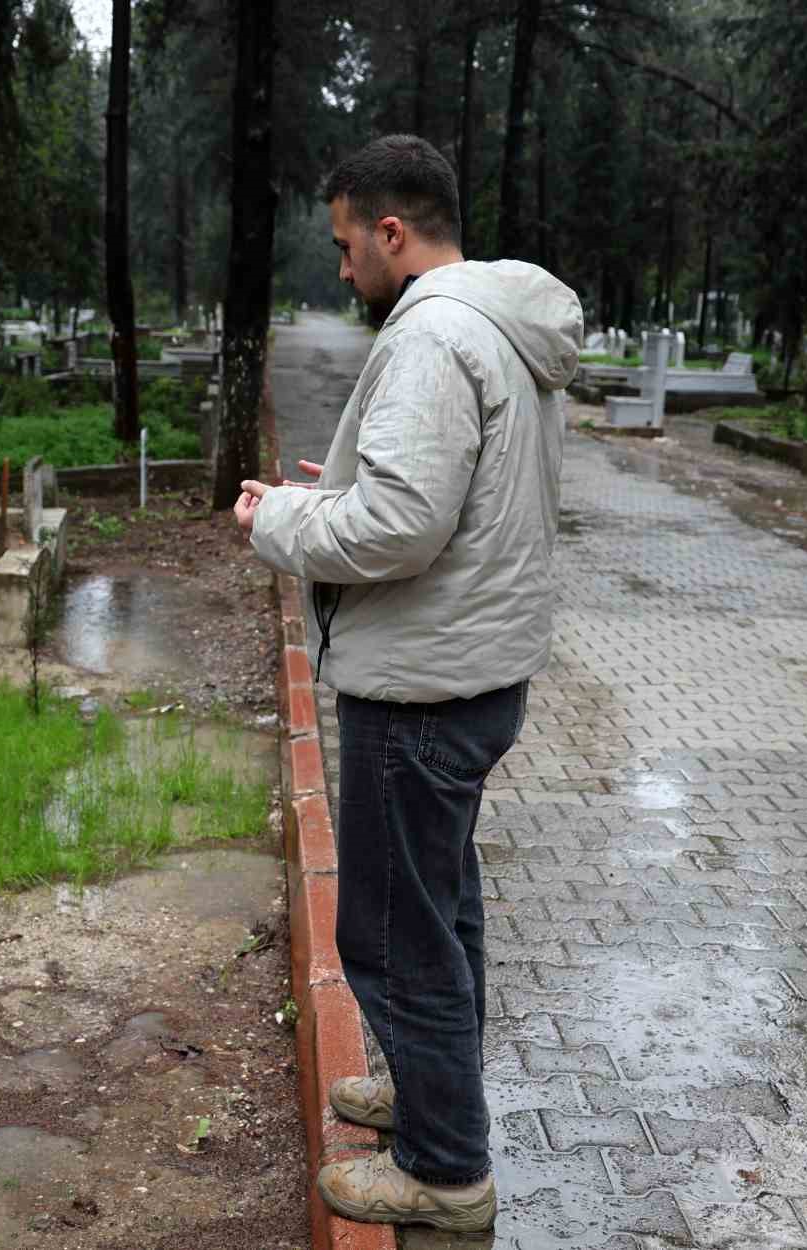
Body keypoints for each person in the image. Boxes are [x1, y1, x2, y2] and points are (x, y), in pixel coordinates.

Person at [233, 134, 581, 1232]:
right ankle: (434, 1093)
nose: (341, 270)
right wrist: (332, 489)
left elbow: (399, 525)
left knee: (389, 934)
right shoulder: (494, 324)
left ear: (392, 231)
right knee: (442, 910)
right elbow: (428, 495)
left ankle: (444, 1166)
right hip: (472, 671)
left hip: (420, 688)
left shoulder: (431, 336)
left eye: (345, 246)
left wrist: (277, 519)